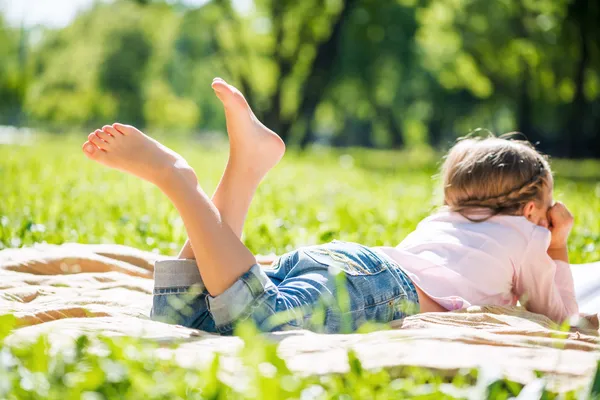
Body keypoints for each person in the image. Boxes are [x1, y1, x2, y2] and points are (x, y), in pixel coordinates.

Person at [81, 78, 578, 335]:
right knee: (254, 320)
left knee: (188, 317)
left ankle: (245, 169)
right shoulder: (531, 234)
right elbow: (558, 317)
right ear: (533, 208)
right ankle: (178, 180)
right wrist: (556, 245)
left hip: (349, 263)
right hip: (382, 288)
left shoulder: (443, 218)